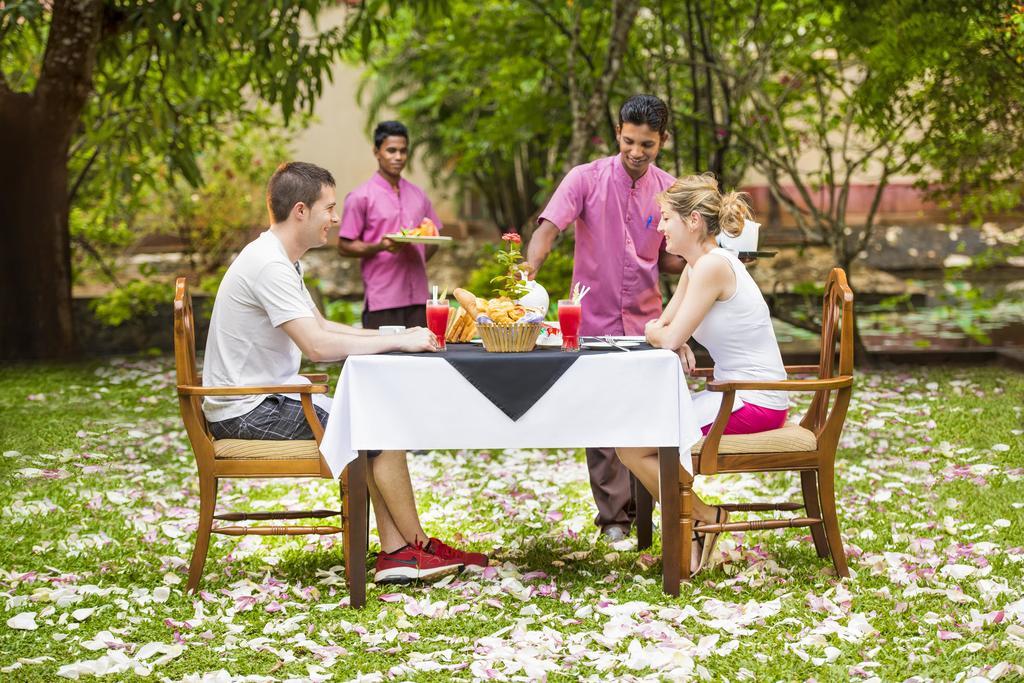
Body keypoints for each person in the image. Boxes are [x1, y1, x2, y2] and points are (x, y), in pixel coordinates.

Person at [202, 161, 486, 583]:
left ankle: (401, 552)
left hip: (266, 399)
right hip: (248, 412)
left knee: (378, 419)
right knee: (377, 422)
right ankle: (413, 548)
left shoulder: (281, 259)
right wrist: (396, 341)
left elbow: (321, 325)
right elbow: (316, 346)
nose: (336, 219)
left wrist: (394, 334)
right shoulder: (269, 265)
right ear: (301, 211)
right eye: (329, 208)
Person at [526, 94, 685, 542]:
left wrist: (710, 260)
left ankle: (647, 517)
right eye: (629, 141)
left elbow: (670, 260)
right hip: (591, 322)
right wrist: (530, 268)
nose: (636, 153)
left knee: (646, 424)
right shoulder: (585, 178)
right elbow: (547, 229)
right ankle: (613, 519)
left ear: (663, 141)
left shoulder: (670, 191)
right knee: (600, 423)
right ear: (617, 132)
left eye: (647, 145)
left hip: (648, 326)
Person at [617, 173, 790, 574]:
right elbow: (666, 327)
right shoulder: (697, 267)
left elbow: (662, 330)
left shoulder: (713, 265)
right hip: (733, 394)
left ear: (692, 220)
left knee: (637, 443)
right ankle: (702, 519)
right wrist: (670, 338)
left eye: (665, 218)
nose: (659, 228)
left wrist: (666, 337)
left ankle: (701, 520)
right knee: (631, 441)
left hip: (752, 401)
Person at [337, 121, 443, 330]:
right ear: (377, 152)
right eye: (391, 150)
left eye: (403, 151)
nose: (398, 157)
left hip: (419, 300)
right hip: (383, 299)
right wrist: (381, 246)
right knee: (382, 361)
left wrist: (417, 259)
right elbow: (344, 245)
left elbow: (435, 237)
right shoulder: (360, 197)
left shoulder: (419, 195)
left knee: (421, 361)